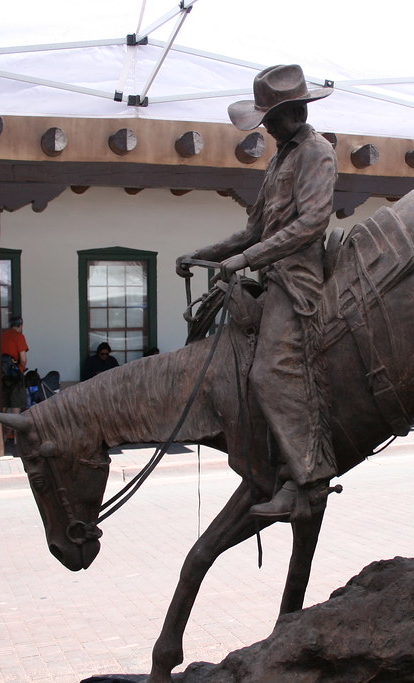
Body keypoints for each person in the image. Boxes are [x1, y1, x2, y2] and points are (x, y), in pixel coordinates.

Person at [176, 64, 337, 522]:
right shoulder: (281, 157)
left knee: (271, 369)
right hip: (269, 271)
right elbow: (254, 229)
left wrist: (246, 261)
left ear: (294, 111)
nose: (264, 127)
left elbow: (311, 223)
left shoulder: (316, 153)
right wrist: (204, 252)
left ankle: (308, 476)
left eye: (269, 118)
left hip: (297, 278)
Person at [0, 316, 29, 419]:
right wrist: (22, 368)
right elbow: (23, 358)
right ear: (20, 325)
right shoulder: (19, 336)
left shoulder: (2, 336)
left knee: (3, 402)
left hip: (2, 373)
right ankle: (13, 431)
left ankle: (0, 430)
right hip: (15, 374)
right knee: (16, 403)